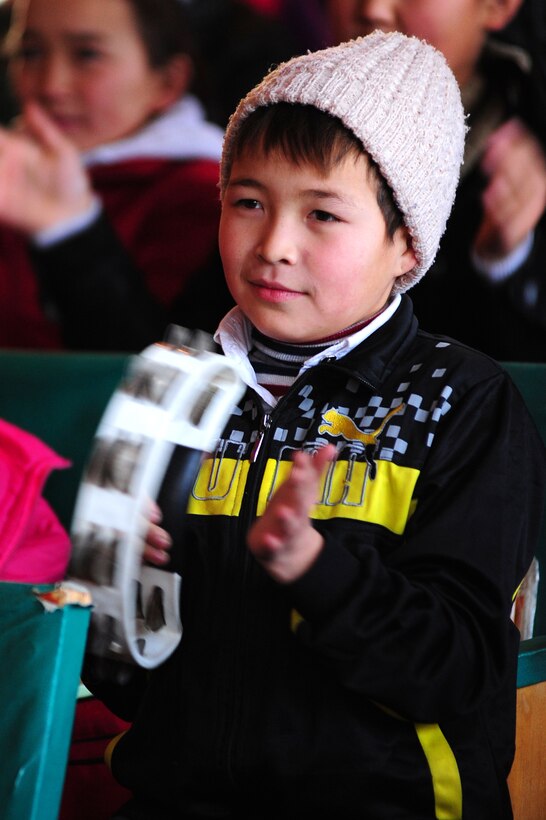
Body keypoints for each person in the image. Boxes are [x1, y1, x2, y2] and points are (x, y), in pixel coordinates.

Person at [83, 32, 546, 818]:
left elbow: (458, 667)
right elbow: (131, 690)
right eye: (248, 202)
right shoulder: (179, 387)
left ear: (406, 244)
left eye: (322, 213)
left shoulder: (457, 402)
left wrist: (315, 568)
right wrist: (115, 592)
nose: (273, 246)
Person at [0, 0, 232, 352]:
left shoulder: (204, 197)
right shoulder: (15, 164)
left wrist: (71, 232)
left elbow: (153, 372)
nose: (51, 85)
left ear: (168, 81)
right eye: (30, 52)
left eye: (87, 55)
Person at [324, 0, 546, 362]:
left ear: (498, 6)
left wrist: (507, 259)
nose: (374, 9)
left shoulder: (529, 136)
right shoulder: (285, 115)